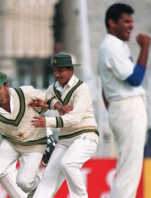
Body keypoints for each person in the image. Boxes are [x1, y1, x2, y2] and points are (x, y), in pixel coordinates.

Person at [0, 71, 61, 198]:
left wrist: (57, 109)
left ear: (6, 86)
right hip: (10, 145)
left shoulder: (24, 93)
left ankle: (38, 188)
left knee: (24, 183)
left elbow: (44, 102)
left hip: (31, 143)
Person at [97, 3, 150, 198]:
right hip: (127, 109)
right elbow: (135, 78)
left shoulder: (113, 46)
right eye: (126, 21)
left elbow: (105, 88)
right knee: (129, 171)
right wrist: (145, 48)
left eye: (132, 21)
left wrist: (114, 111)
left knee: (129, 168)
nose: (131, 26)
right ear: (112, 23)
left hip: (123, 109)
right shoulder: (111, 46)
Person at [31, 54, 99, 198]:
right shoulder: (52, 89)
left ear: (71, 70)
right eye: (54, 70)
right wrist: (38, 106)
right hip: (65, 139)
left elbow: (75, 118)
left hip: (86, 136)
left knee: (68, 163)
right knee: (49, 175)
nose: (57, 74)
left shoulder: (82, 89)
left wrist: (47, 122)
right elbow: (45, 103)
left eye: (60, 70)